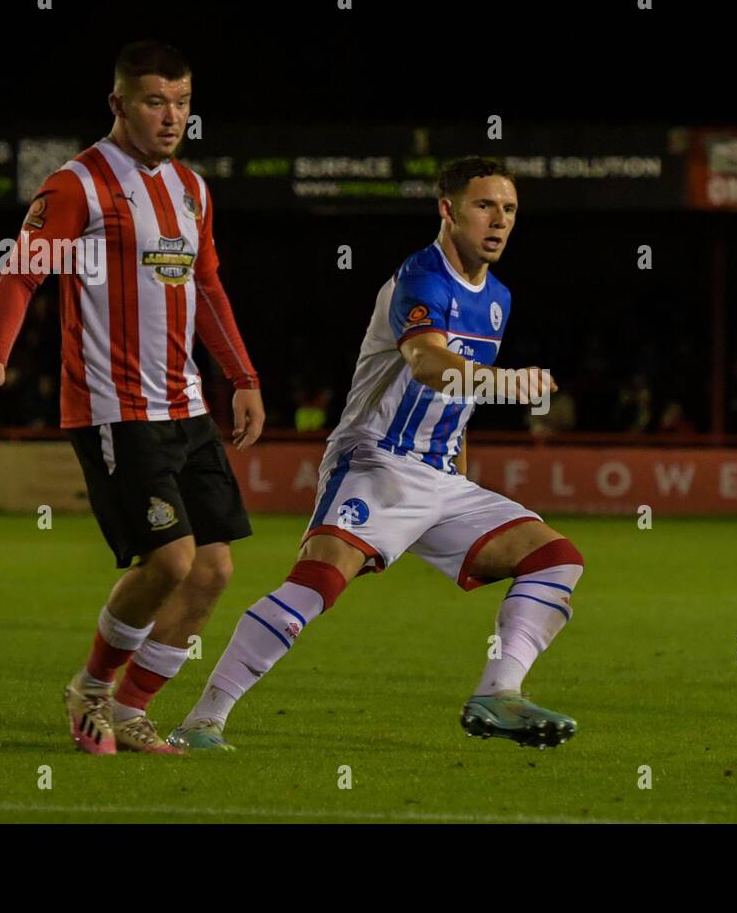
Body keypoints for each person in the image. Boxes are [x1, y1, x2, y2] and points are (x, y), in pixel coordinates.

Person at [173, 157, 586, 752]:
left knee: (556, 558)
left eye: (510, 209)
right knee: (316, 585)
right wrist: (504, 383)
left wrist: (459, 486)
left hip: (440, 477)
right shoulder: (421, 277)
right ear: (447, 209)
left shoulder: (497, 298)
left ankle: (499, 694)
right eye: (484, 205)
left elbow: (457, 403)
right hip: (376, 462)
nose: (499, 220)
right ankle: (201, 721)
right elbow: (427, 363)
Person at [0, 40, 265, 754]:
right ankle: (89, 693)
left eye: (183, 103)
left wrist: (243, 377)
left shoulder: (192, 190)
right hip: (113, 407)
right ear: (118, 104)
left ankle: (129, 710)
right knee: (170, 560)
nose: (171, 117)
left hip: (185, 406)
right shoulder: (78, 185)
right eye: (156, 102)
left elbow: (210, 290)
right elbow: (20, 275)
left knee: (214, 569)